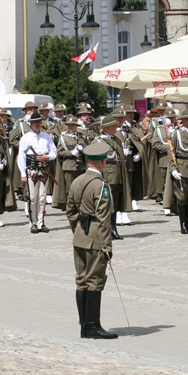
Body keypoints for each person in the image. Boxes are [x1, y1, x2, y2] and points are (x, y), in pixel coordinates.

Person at [65, 140, 118, 340]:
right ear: (102, 162)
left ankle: (84, 325)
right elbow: (104, 218)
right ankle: (93, 326)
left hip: (80, 235)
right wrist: (106, 245)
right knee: (94, 281)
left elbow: (70, 210)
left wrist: (77, 229)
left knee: (81, 280)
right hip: (95, 236)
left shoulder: (77, 181)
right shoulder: (101, 186)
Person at [18, 111, 57, 233]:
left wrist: (47, 157)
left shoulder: (47, 137)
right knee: (32, 197)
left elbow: (54, 152)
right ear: (30, 123)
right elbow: (21, 157)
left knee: (42, 197)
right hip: (31, 170)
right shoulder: (26, 138)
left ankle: (41, 222)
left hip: (44, 170)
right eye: (35, 122)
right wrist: (23, 174)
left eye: (39, 122)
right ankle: (32, 222)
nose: (37, 124)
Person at [96, 115, 131, 240]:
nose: (117, 127)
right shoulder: (99, 140)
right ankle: (105, 230)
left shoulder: (116, 139)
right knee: (105, 204)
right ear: (108, 127)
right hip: (107, 175)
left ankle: (113, 229)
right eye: (114, 125)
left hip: (117, 175)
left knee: (114, 204)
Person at [52, 115, 86, 210]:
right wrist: (70, 153)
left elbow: (87, 148)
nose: (71, 127)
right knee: (70, 189)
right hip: (69, 166)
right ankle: (71, 208)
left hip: (80, 166)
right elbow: (59, 151)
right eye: (69, 125)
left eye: (73, 125)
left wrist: (82, 150)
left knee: (80, 188)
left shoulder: (82, 136)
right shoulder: (63, 137)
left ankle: (80, 207)